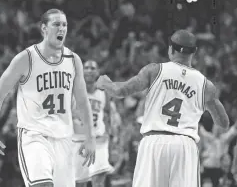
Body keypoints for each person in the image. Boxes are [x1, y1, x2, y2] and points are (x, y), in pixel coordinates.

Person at [96, 29, 230, 187]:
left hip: (154, 142)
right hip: (184, 146)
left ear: (170, 49)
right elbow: (223, 123)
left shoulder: (154, 70)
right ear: (194, 52)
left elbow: (121, 91)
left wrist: (105, 83)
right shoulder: (206, 85)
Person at [0, 9, 96, 187]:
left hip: (64, 137)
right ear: (44, 28)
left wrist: (90, 137)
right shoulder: (26, 58)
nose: (62, 28)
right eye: (56, 24)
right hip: (34, 135)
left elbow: (83, 102)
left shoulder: (73, 60)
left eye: (65, 25)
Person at [72, 60, 114, 187]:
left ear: (98, 72)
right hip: (78, 141)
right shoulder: (72, 90)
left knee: (98, 181)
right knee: (79, 183)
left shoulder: (104, 92)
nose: (89, 70)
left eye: (93, 68)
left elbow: (107, 113)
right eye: (86, 68)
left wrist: (108, 133)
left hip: (98, 141)